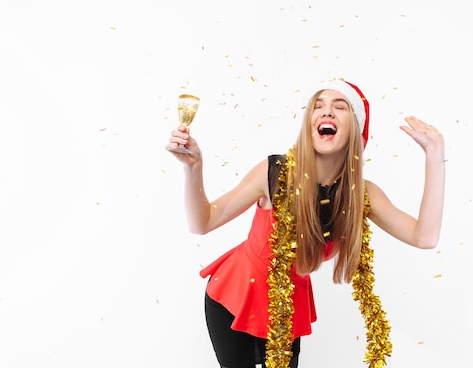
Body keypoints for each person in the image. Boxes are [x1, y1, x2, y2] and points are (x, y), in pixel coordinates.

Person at [166, 79, 445, 368]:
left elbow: (424, 237)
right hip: (232, 297)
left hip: (287, 309)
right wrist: (193, 167)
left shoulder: (362, 195)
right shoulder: (274, 173)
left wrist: (435, 158)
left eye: (340, 107)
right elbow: (203, 222)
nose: (327, 112)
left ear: (356, 130)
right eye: (318, 107)